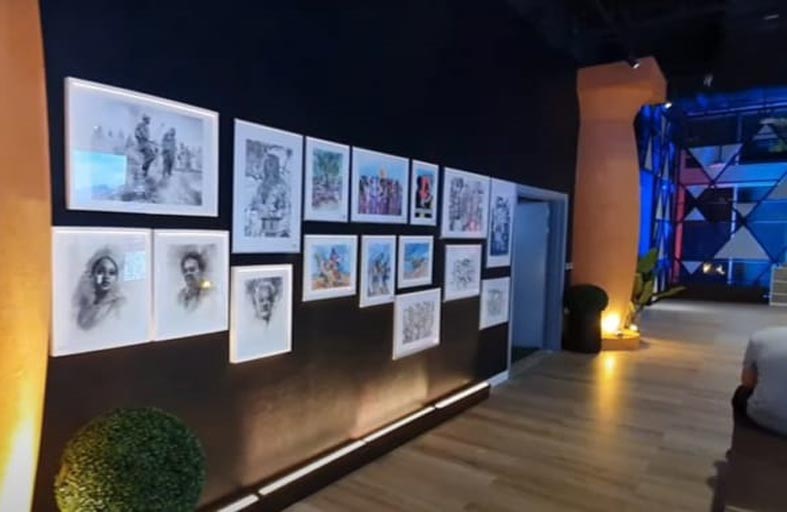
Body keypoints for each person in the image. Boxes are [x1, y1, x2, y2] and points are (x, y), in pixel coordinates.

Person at [733, 327, 787, 436]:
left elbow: (747, 382)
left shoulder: (760, 338)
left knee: (741, 393)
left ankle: (742, 437)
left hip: (764, 416)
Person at [74, 250, 125, 330]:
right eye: (100, 272)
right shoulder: (84, 308)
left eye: (111, 273)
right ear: (92, 275)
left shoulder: (117, 306)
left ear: (116, 278)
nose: (106, 277)